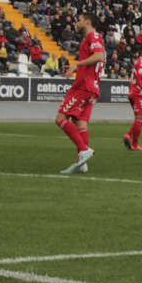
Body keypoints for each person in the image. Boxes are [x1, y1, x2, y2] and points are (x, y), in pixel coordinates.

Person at [54, 12, 103, 174]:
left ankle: (84, 150)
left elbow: (98, 56)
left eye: (80, 20)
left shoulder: (93, 36)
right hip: (92, 88)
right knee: (81, 124)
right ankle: (81, 164)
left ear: (87, 21)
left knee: (60, 118)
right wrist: (77, 68)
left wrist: (76, 65)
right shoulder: (91, 38)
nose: (77, 22)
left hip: (83, 86)